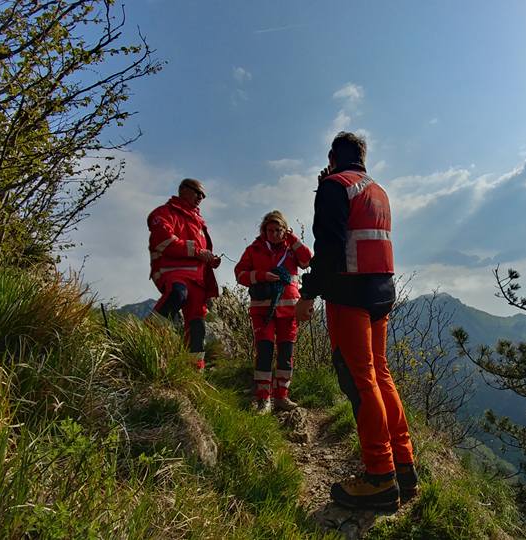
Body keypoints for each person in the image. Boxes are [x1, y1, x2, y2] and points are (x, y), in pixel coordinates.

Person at [296, 132, 417, 512]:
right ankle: (403, 465)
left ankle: (379, 479)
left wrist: (307, 294)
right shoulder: (377, 189)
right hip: (382, 289)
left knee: (358, 378)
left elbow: (329, 248)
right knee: (379, 373)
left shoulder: (334, 186)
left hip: (350, 293)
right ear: (362, 157)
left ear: (332, 156)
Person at [234, 210, 312, 414]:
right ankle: (263, 399)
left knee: (286, 355)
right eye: (271, 230)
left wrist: (294, 239)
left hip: (288, 311)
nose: (275, 234)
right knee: (265, 353)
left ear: (285, 230)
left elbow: (307, 260)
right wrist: (261, 276)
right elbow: (240, 274)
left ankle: (282, 397)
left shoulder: (291, 249)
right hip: (262, 312)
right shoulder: (254, 250)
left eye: (279, 230)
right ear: (264, 230)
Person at [147, 177, 222, 370]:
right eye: (198, 192)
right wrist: (199, 252)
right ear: (183, 190)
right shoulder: (163, 213)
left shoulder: (198, 222)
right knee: (177, 294)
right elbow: (163, 241)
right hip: (173, 272)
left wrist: (210, 260)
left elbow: (200, 251)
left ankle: (195, 371)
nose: (201, 197)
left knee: (197, 325)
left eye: (203, 195)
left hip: (197, 281)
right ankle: (145, 335)